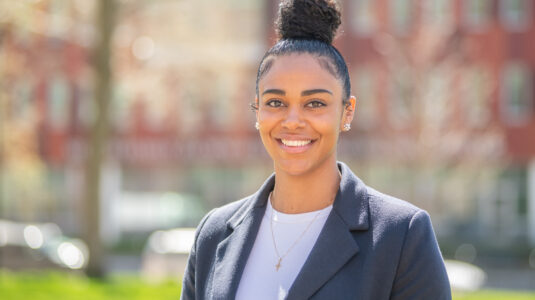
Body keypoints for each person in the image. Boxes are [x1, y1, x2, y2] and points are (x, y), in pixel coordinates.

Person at [181, 0, 451, 299]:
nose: (293, 120)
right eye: (275, 103)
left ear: (347, 112)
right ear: (257, 110)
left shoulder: (401, 236)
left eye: (315, 104)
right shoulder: (214, 233)